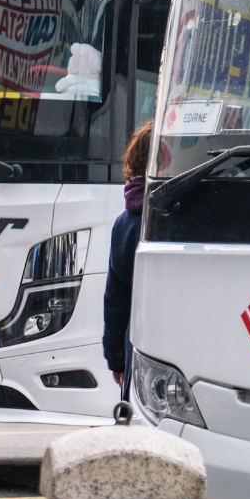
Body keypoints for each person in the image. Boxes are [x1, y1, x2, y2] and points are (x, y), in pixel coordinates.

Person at [103, 122, 152, 399]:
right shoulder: (188, 216)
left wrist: (117, 360)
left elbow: (116, 300)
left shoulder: (125, 224)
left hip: (140, 349)